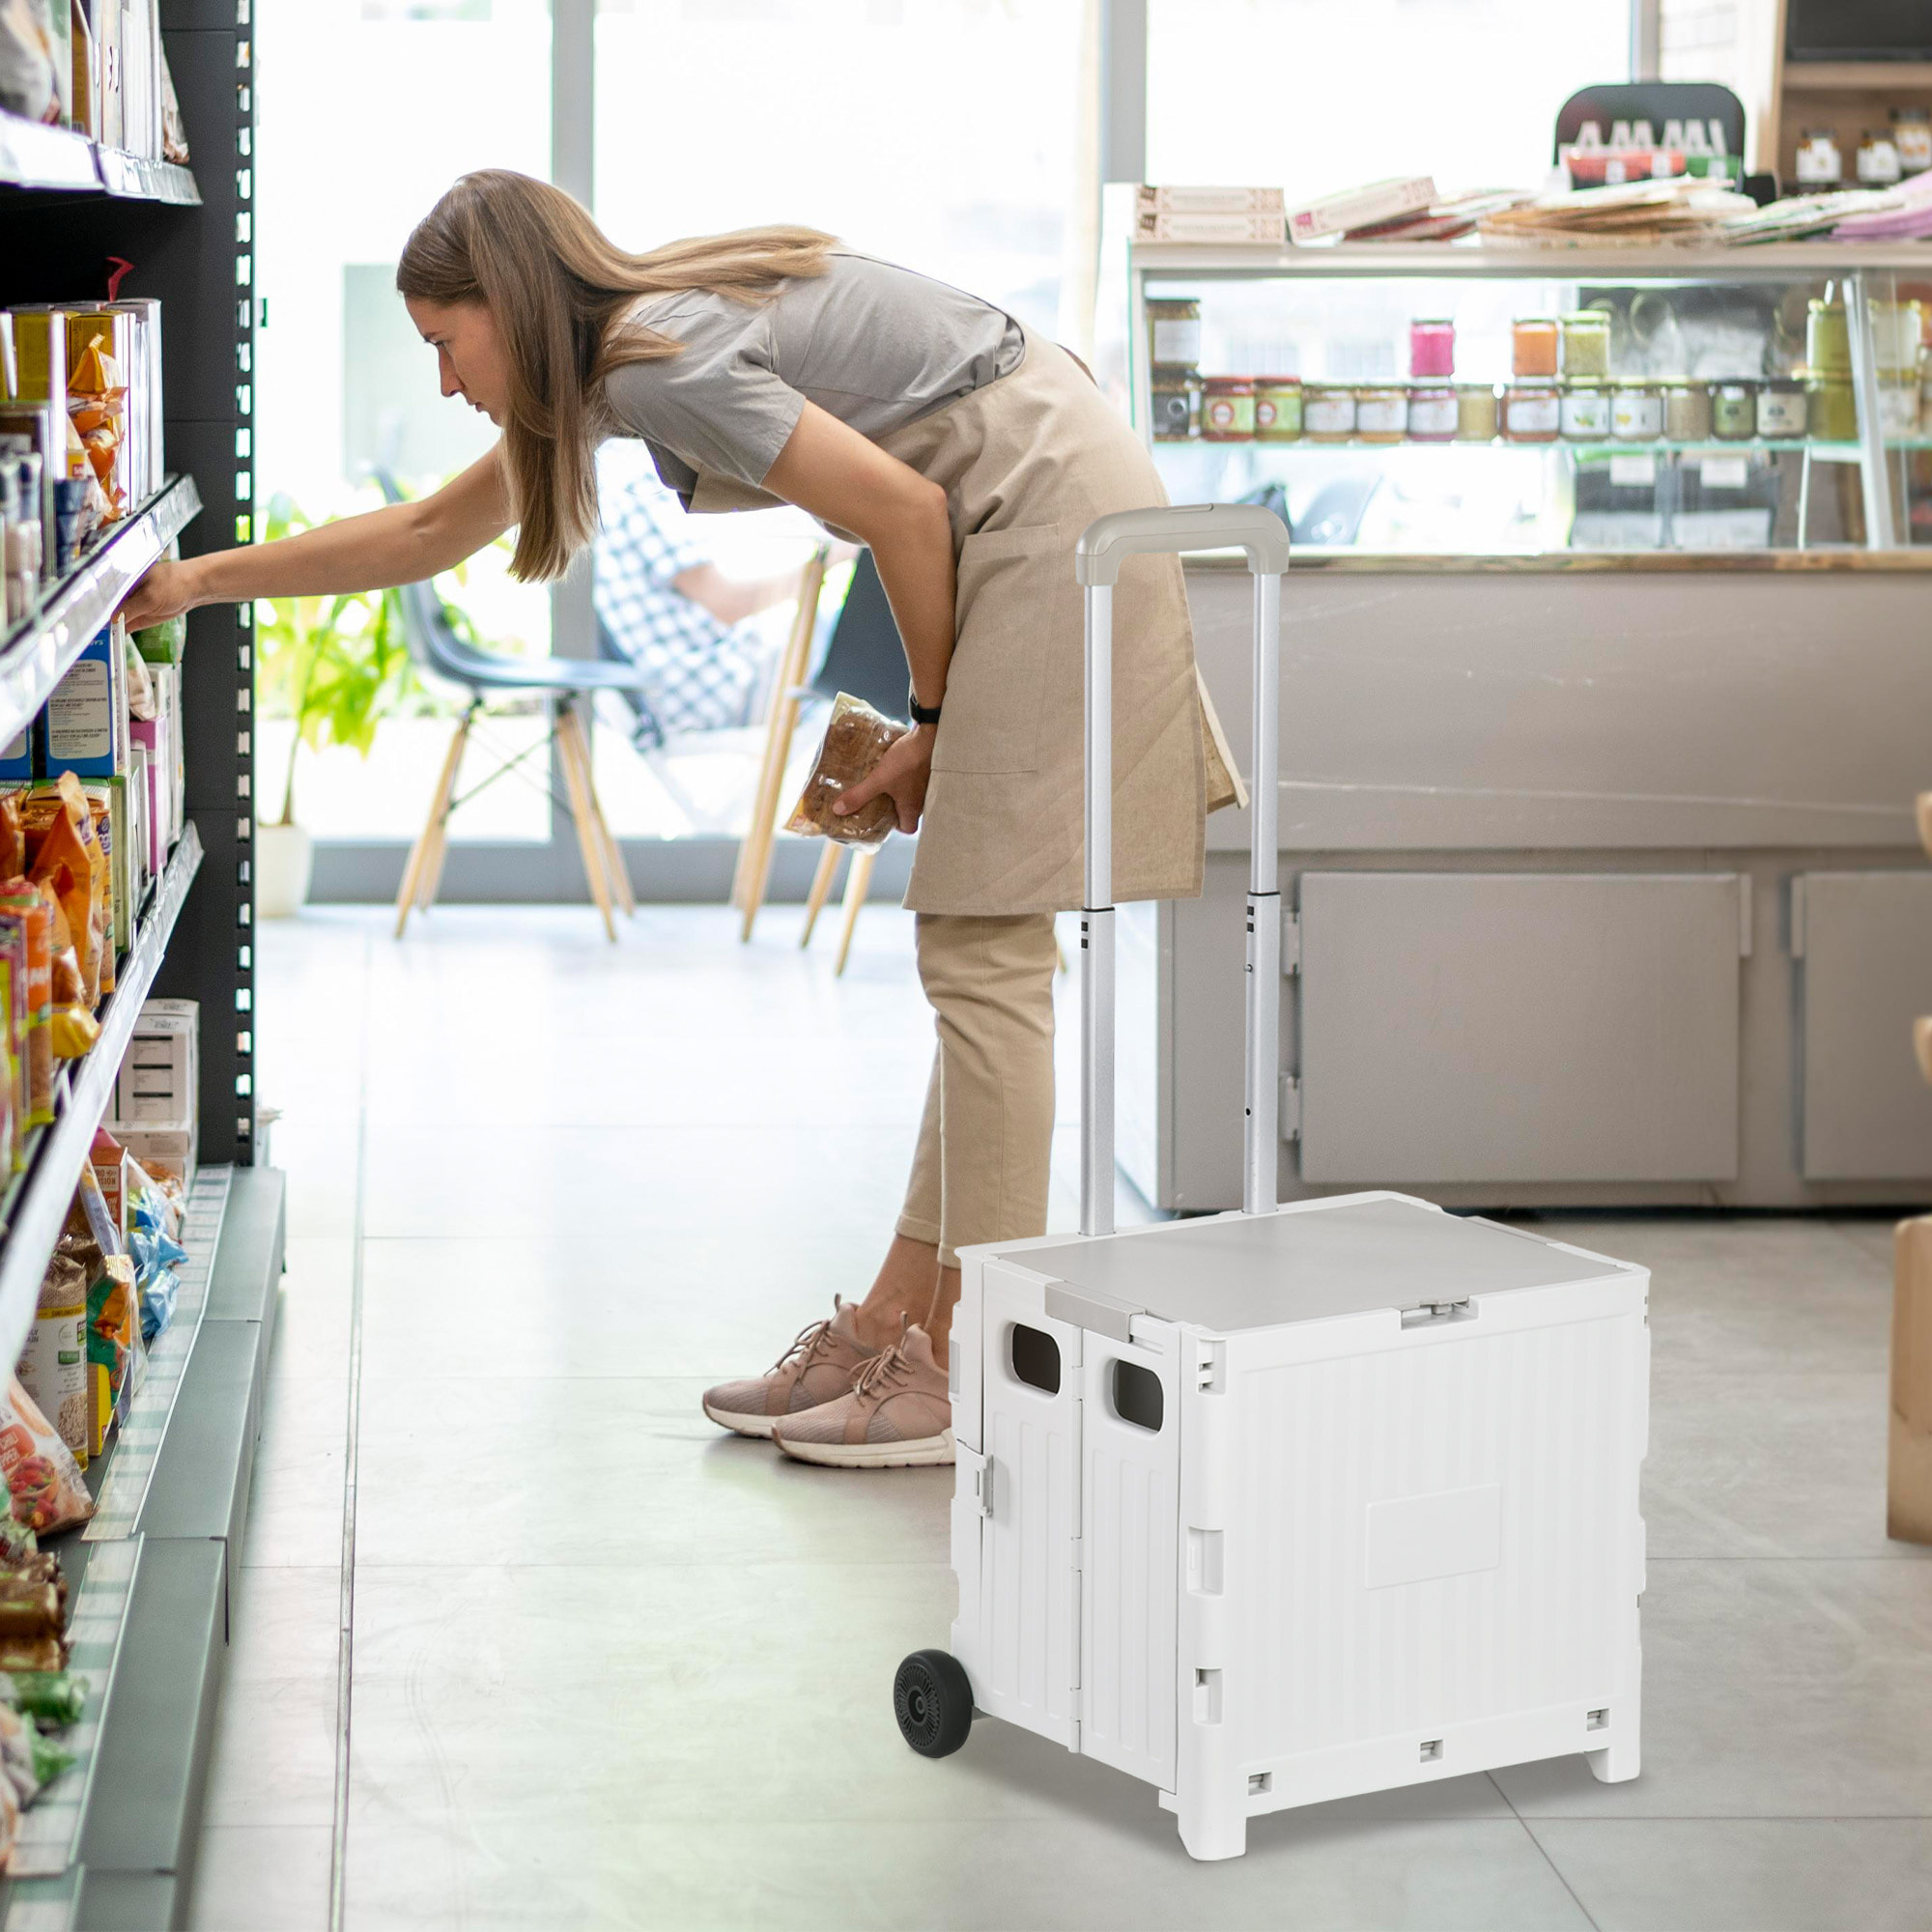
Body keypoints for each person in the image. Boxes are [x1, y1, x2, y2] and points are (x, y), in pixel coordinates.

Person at [123, 169, 1236, 1473]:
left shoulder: (656, 362)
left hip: (1047, 517)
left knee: (984, 960)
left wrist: (930, 712)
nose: (441, 380)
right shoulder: (619, 357)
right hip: (1027, 497)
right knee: (974, 966)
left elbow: (905, 510)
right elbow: (428, 530)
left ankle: (973, 1367)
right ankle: (897, 1319)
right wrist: (196, 582)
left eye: (443, 343)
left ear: (508, 304)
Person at [591, 439, 803, 750]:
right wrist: (826, 563)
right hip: (707, 690)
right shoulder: (636, 486)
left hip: (672, 688)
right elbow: (729, 603)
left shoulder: (605, 483)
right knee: (844, 633)